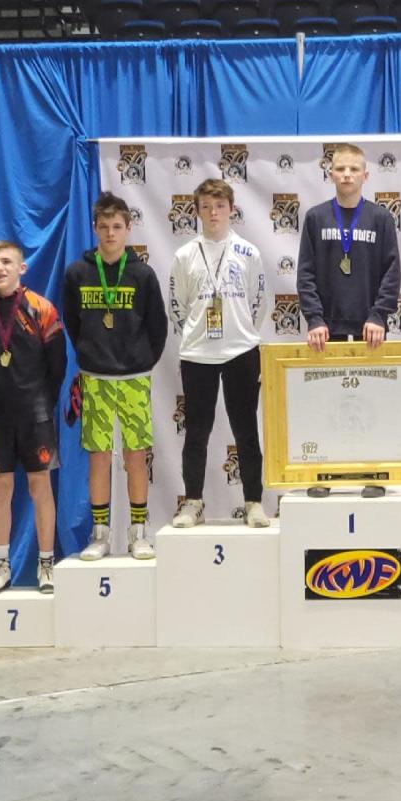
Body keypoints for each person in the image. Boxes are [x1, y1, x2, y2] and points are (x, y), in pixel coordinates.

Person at [64, 192, 168, 561]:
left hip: (134, 378)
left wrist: (139, 361)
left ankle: (138, 533)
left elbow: (158, 327)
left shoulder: (142, 274)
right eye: (104, 226)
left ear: (128, 228)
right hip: (95, 378)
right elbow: (71, 324)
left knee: (136, 455)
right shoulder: (78, 273)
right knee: (99, 457)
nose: (110, 233)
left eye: (117, 226)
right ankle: (100, 534)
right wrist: (91, 356)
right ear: (94, 228)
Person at [296, 143, 401, 498]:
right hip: (326, 331)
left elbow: (391, 272)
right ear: (330, 174)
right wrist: (314, 319)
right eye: (340, 169)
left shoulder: (381, 219)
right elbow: (306, 274)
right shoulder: (315, 217)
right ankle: (325, 474)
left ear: (365, 175)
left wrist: (378, 315)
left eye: (353, 169)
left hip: (368, 330)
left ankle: (373, 473)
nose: (346, 175)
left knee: (370, 404)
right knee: (327, 404)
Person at [169, 179, 270, 530]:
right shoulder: (184, 255)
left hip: (242, 351)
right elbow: (177, 306)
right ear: (196, 211)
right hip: (198, 355)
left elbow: (259, 302)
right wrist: (198, 336)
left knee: (246, 431)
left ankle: (254, 502)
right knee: (197, 432)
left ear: (232, 209)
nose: (214, 213)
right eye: (207, 207)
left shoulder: (248, 252)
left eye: (220, 206)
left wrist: (239, 333)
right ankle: (193, 502)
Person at [0, 241, 66, 595]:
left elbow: (57, 366)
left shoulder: (42, 309)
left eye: (7, 262)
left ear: (22, 268)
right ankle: (0, 566)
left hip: (37, 414)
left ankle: (46, 565)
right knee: (0, 488)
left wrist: (40, 403)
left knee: (40, 487)